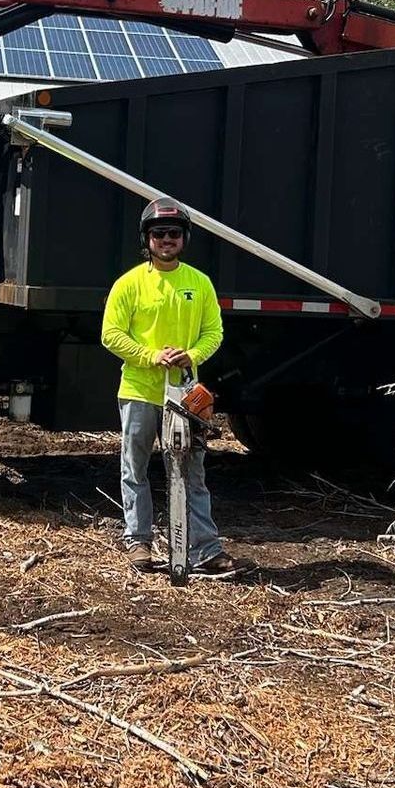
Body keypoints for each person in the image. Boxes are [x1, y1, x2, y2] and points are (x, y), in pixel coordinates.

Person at [99, 197, 233, 573]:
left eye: (174, 233)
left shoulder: (199, 283)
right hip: (140, 391)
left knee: (192, 472)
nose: (166, 240)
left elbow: (214, 333)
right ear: (147, 239)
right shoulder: (129, 285)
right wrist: (150, 355)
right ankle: (138, 542)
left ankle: (205, 550)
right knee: (135, 468)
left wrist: (191, 354)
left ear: (184, 238)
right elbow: (111, 335)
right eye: (159, 234)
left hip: (186, 396)